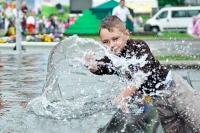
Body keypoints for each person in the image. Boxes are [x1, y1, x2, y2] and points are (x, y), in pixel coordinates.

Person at [85, 15, 200, 132]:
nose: (112, 45)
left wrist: (122, 96)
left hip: (175, 89)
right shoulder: (113, 58)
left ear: (126, 34)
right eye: (106, 42)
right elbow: (101, 68)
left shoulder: (139, 47)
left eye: (115, 39)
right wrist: (91, 65)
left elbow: (140, 77)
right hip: (159, 101)